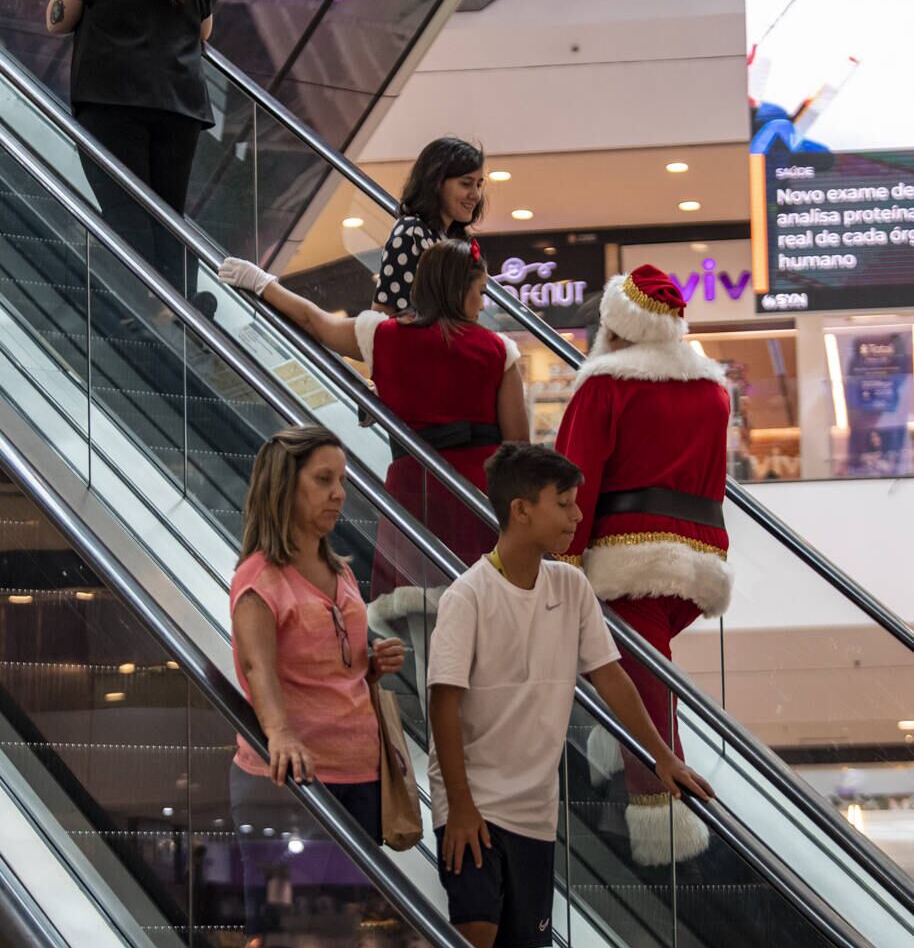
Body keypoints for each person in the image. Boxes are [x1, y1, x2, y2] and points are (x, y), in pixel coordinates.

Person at [426, 442, 713, 948]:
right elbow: (443, 704)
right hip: (473, 802)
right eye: (563, 504)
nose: (576, 516)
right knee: (472, 932)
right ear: (521, 509)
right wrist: (461, 806)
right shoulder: (468, 596)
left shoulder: (570, 585)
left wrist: (661, 756)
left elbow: (612, 678)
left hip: (533, 804)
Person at [218, 239, 528, 688]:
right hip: (477, 497)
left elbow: (313, 320)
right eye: (480, 292)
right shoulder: (499, 352)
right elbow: (517, 445)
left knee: (428, 638)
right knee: (485, 638)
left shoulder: (386, 338)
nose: (482, 305)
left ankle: (439, 735)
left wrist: (261, 282)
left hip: (412, 495)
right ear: (459, 290)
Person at [229, 424, 405, 948]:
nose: (339, 493)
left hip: (356, 777)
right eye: (323, 480)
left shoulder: (341, 569)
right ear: (286, 486)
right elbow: (257, 666)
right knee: (278, 945)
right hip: (289, 783)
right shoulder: (260, 576)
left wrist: (372, 661)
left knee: (329, 946)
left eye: (341, 480)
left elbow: (335, 664)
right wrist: (279, 731)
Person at [553, 264, 732, 867]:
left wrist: (563, 564)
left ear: (617, 327)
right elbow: (715, 479)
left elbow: (573, 481)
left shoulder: (604, 385)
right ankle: (613, 736)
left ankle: (667, 826)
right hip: (698, 559)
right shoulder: (713, 391)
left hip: (623, 559)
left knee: (640, 677)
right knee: (638, 665)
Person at [46, 0, 215, 295]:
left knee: (125, 211)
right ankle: (183, 309)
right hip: (179, 103)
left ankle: (143, 311)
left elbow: (57, 21)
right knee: (169, 216)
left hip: (112, 94)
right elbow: (204, 31)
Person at [372, 137, 486, 315]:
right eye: (466, 183)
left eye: (479, 184)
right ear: (436, 182)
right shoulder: (411, 232)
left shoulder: (449, 236)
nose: (475, 195)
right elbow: (383, 314)